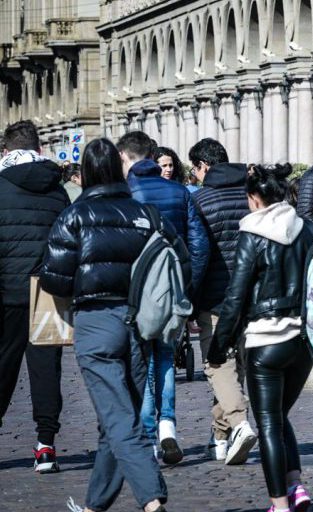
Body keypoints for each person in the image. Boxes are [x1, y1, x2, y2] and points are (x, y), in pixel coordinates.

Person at [40, 138, 168, 512]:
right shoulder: (144, 213)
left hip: (96, 323)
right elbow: (174, 262)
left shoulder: (74, 216)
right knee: (117, 416)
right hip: (138, 323)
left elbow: (55, 279)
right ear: (118, 168)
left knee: (119, 419)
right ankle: (96, 504)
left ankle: (152, 498)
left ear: (86, 172)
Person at [206, 164, 313, 512]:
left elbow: (235, 298)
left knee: (268, 423)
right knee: (280, 417)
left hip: (264, 341)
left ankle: (279, 504)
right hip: (302, 342)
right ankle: (296, 486)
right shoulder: (306, 230)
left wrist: (218, 346)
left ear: (254, 198)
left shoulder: (252, 233)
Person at [119, 130, 210, 465]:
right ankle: (168, 425)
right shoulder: (179, 191)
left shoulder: (125, 193)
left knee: (141, 362)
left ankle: (146, 432)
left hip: (135, 292)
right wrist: (188, 288)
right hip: (172, 288)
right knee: (166, 358)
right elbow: (198, 246)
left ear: (128, 158)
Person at [0, 120, 71, 475]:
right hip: (47, 291)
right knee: (46, 370)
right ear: (38, 149)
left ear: (6, 151)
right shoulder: (57, 190)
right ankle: (46, 445)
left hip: (6, 292)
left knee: (2, 367)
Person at [189, 137, 258, 464]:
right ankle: (220, 436)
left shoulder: (200, 200)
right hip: (253, 296)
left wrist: (191, 299)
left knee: (219, 365)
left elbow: (197, 255)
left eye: (195, 169)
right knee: (237, 369)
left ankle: (240, 424)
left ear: (204, 166)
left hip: (216, 298)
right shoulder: (252, 196)